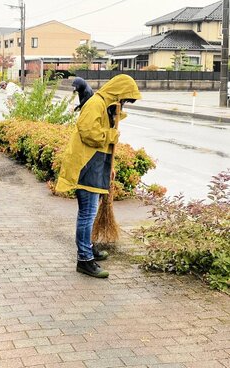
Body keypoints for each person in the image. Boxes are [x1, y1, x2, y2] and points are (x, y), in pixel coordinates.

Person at [55, 74, 141, 278]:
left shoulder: (106, 106)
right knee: (87, 213)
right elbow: (88, 132)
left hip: (94, 163)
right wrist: (110, 135)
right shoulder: (96, 104)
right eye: (124, 99)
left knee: (89, 213)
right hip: (85, 164)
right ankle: (84, 259)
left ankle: (88, 247)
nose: (123, 104)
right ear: (118, 93)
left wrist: (109, 166)